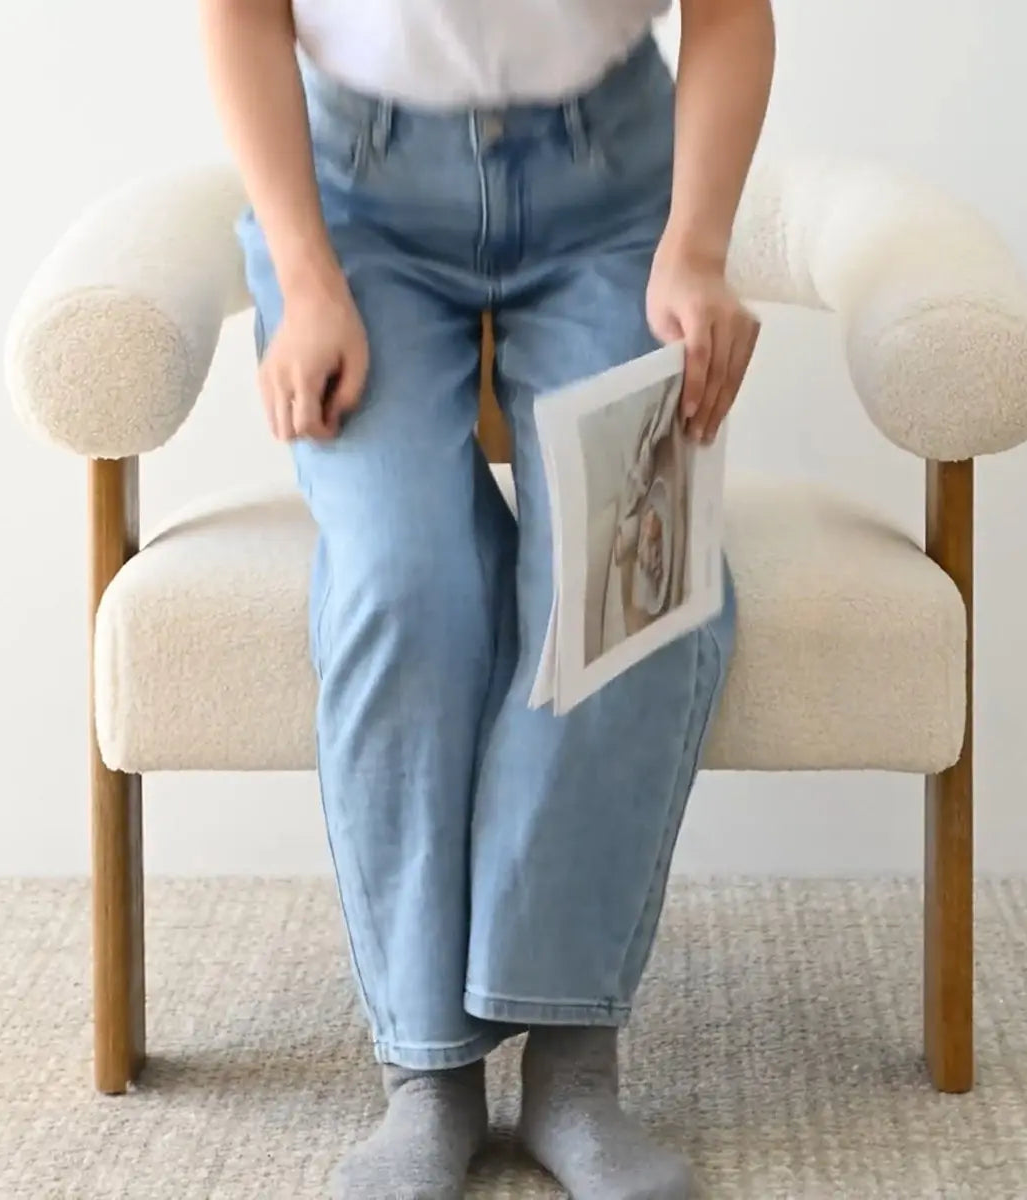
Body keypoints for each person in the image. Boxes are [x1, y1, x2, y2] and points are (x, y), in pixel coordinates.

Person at [200, 0, 771, 1195]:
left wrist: (697, 250)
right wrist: (306, 282)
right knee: (408, 585)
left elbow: (728, 14)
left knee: (631, 580)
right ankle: (429, 1072)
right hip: (355, 201)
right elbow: (243, 15)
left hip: (616, 192)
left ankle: (573, 1059)